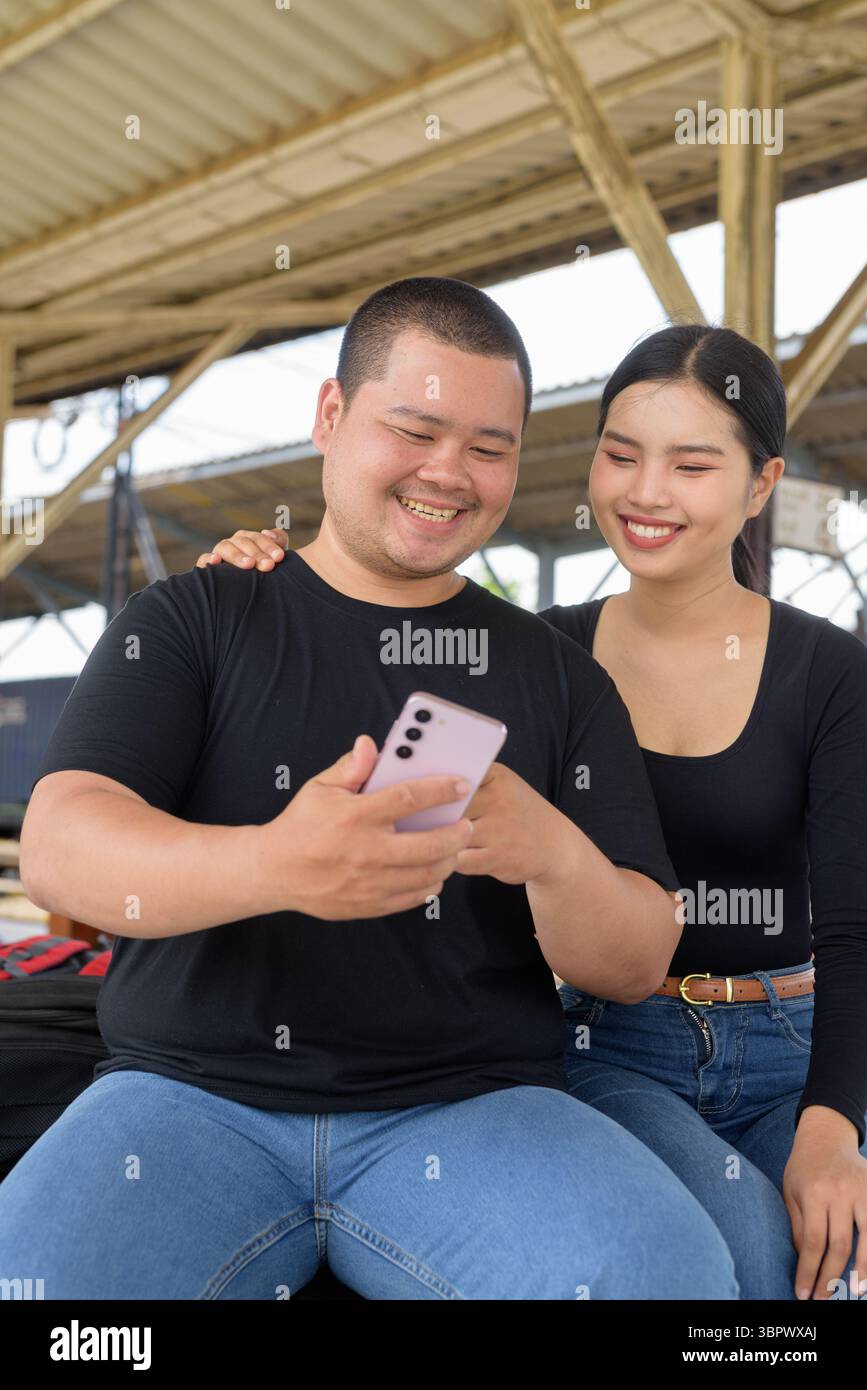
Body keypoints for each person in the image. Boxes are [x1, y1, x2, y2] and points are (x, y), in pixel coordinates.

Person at [0, 279, 743, 1301]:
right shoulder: (193, 618)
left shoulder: (560, 673)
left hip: (471, 1109)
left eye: (489, 446)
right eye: (416, 429)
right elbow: (61, 845)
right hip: (185, 1101)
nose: (450, 473)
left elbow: (634, 958)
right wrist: (277, 860)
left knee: (670, 1279)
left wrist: (549, 852)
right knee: (34, 1285)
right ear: (331, 417)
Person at [198, 320, 867, 1302]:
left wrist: (833, 1129)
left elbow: (854, 932)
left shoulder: (830, 671)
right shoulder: (533, 655)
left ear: (762, 482)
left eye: (691, 464)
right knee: (750, 1254)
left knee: (837, 1266)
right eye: (621, 454)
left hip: (796, 1041)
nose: (645, 493)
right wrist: (267, 586)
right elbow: (379, 722)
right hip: (611, 1038)